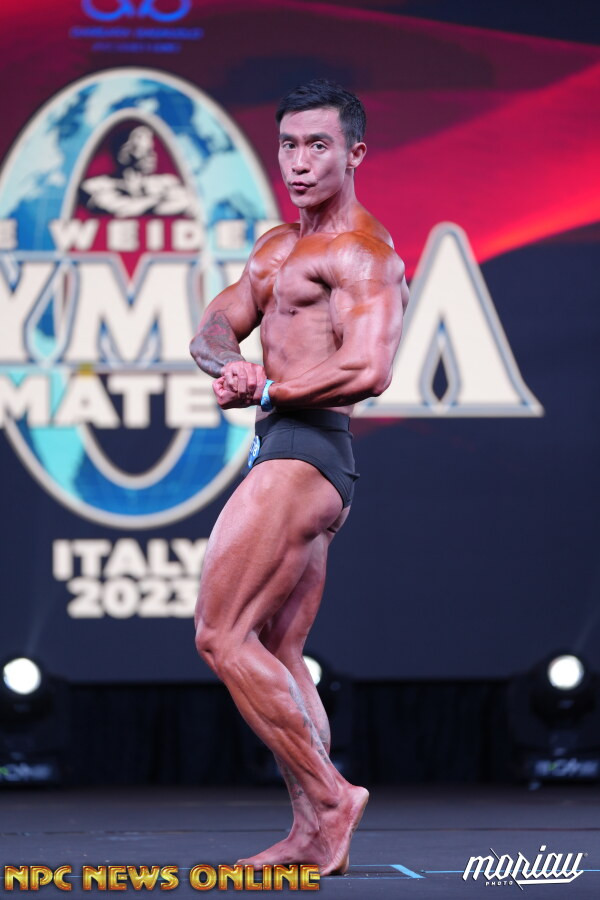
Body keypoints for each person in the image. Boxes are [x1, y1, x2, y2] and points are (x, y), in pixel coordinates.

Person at [190, 79, 408, 876]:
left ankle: (332, 797)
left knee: (219, 634)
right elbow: (214, 325)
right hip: (285, 446)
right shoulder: (277, 247)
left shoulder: (363, 254)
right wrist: (232, 363)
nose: (300, 161)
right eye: (288, 144)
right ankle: (314, 834)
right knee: (278, 647)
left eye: (319, 145)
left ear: (355, 154)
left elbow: (369, 368)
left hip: (308, 452)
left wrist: (270, 390)